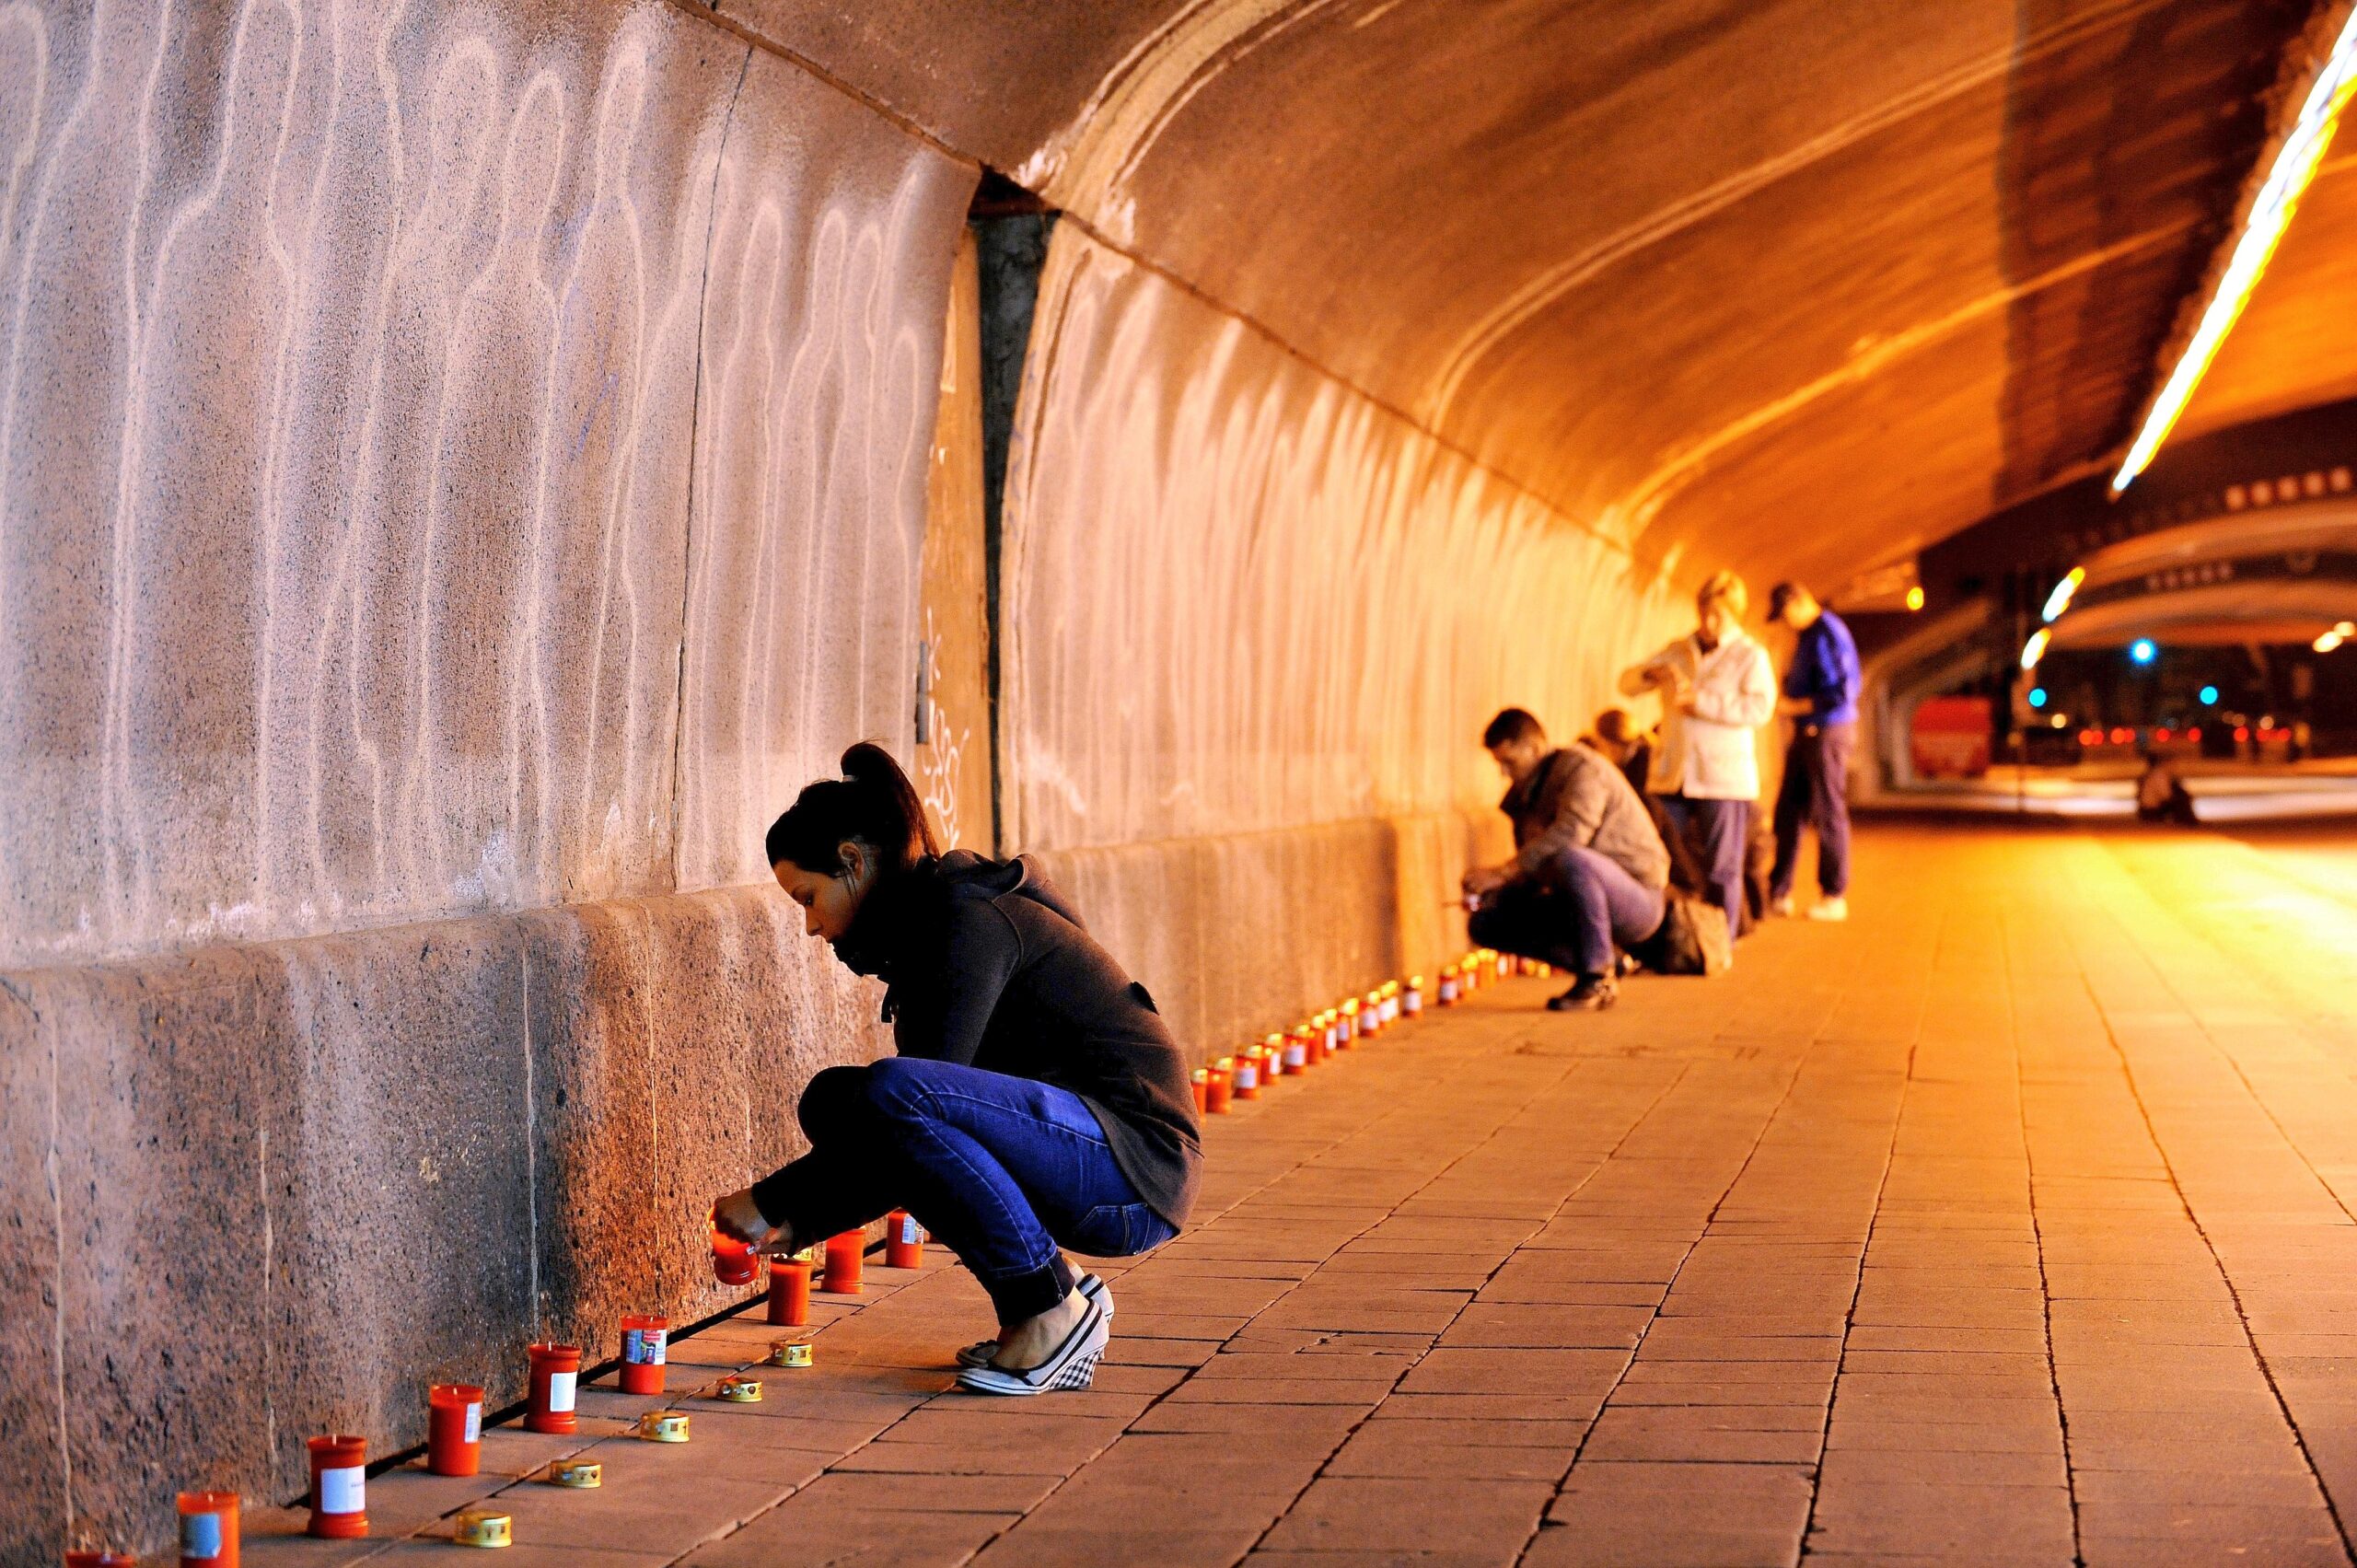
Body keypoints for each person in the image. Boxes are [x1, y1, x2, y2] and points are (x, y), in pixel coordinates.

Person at [711, 744, 1200, 1397]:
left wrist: (771, 1200)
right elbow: (908, 1138)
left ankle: (1050, 1309)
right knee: (838, 1100)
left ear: (853, 862)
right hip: (1086, 1151)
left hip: (1136, 1164)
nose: (810, 925)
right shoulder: (929, 926)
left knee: (885, 1093)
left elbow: (909, 1104)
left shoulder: (967, 922)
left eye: (809, 896)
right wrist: (800, 1222)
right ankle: (1060, 1293)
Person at [1461, 709, 1670, 1011]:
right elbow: (1534, 867)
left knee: (1574, 859)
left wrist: (1505, 871)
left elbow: (1571, 835)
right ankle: (1611, 961)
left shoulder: (1583, 769)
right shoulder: (1525, 797)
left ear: (1534, 748)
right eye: (1499, 764)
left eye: (1510, 762)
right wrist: (1496, 888)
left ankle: (1596, 977)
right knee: (1488, 919)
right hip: (1578, 899)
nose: (1505, 773)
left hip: (1638, 900)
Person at [1619, 571, 1777, 949]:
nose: (1708, 624)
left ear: (1734, 615)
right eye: (1704, 613)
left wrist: (1702, 703)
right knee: (1659, 854)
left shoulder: (1749, 656)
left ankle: (1723, 938)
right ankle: (1665, 932)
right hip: (1674, 771)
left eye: (1718, 616)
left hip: (1723, 774)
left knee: (1723, 864)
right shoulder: (1678, 649)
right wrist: (1650, 673)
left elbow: (1760, 708)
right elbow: (1625, 684)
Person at [1766, 581, 1862, 922]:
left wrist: (1792, 706)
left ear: (1798, 602)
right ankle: (1780, 889)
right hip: (1809, 731)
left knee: (1828, 810)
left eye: (1785, 614)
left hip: (1827, 731)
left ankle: (1834, 894)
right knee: (1789, 809)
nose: (1785, 622)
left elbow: (1840, 693)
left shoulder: (1827, 634)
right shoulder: (1810, 635)